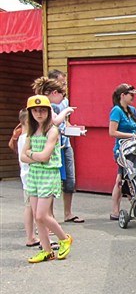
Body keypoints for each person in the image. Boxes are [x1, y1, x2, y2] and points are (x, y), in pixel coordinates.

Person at [20, 95, 73, 263]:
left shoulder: (53, 130)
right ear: (30, 113)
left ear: (49, 112)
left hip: (48, 175)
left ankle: (64, 238)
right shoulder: (30, 131)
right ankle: (47, 250)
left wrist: (31, 154)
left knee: (42, 215)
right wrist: (35, 156)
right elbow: (23, 156)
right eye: (35, 111)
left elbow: (45, 156)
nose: (39, 114)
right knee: (37, 216)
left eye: (42, 110)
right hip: (34, 175)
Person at [47, 70, 85, 223]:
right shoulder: (45, 102)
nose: (65, 85)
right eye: (62, 82)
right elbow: (54, 122)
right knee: (50, 181)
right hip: (52, 145)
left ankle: (68, 213)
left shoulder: (65, 101)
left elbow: (64, 122)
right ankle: (49, 216)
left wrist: (73, 129)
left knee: (70, 180)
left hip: (65, 143)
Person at [109, 83, 136, 220]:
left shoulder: (133, 110)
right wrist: (131, 135)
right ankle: (115, 210)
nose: (133, 97)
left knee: (130, 177)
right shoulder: (116, 110)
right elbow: (112, 132)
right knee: (120, 178)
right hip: (122, 149)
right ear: (123, 95)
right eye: (131, 94)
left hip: (135, 148)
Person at [16, 109, 39, 247]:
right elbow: (26, 158)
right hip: (33, 176)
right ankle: (36, 236)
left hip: (26, 177)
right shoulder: (27, 138)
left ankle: (31, 236)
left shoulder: (21, 137)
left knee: (29, 207)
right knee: (35, 208)